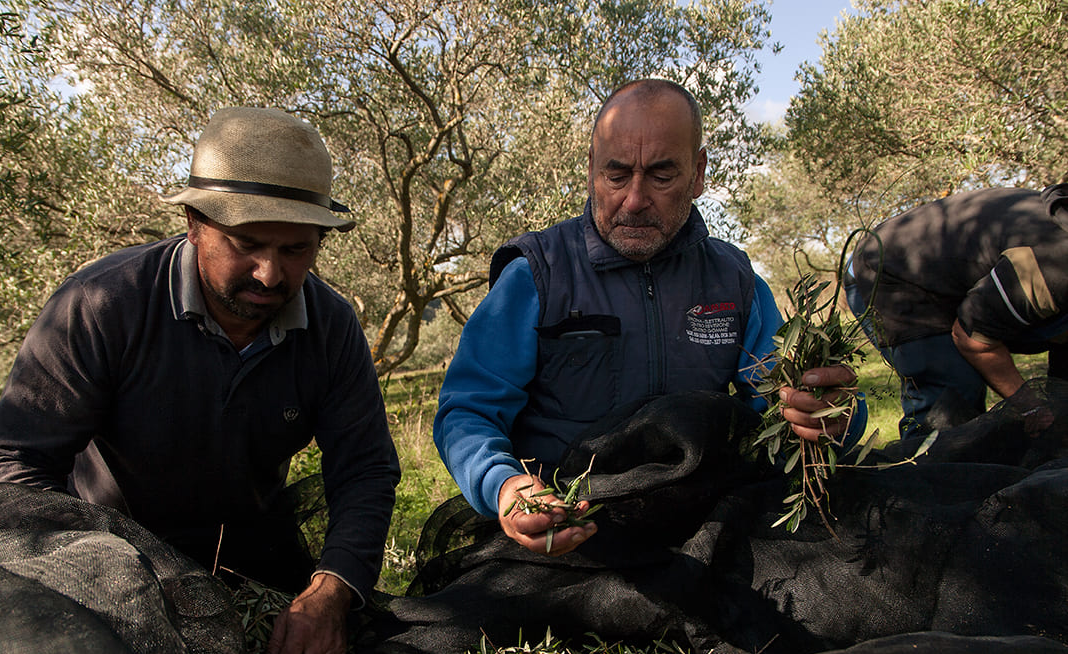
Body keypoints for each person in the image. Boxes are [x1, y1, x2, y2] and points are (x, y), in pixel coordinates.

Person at [0, 107, 401, 654]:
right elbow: (9, 464)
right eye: (247, 244)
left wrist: (329, 593)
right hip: (109, 565)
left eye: (296, 250)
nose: (271, 273)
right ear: (194, 225)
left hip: (252, 561)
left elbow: (365, 471)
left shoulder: (330, 328)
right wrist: (91, 575)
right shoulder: (102, 305)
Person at [432, 79, 863, 556]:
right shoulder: (536, 275)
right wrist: (506, 486)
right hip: (570, 531)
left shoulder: (733, 280)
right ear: (592, 169)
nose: (634, 200)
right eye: (616, 175)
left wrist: (831, 412)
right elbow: (466, 412)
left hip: (704, 527)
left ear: (698, 174)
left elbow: (787, 404)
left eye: (661, 176)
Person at [845, 184, 1068, 439]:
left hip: (959, 277)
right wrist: (1032, 408)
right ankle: (928, 466)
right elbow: (974, 339)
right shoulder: (1051, 265)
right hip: (888, 272)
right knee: (953, 402)